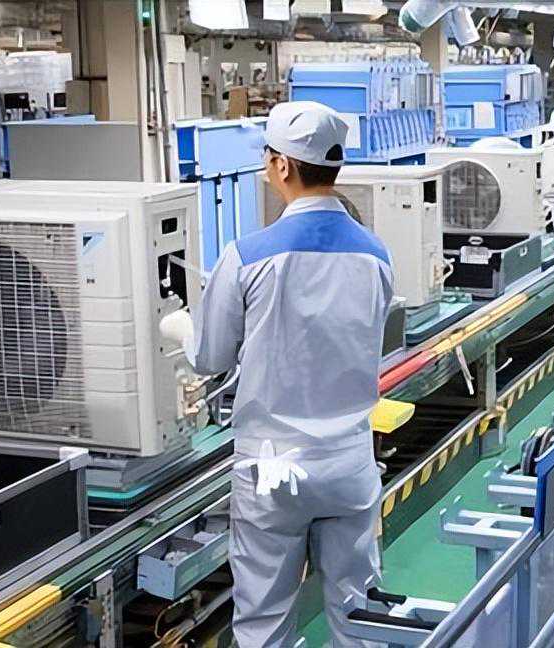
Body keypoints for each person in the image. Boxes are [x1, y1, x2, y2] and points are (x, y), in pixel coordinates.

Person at [185, 100, 394, 647]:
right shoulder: (377, 255)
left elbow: (210, 358)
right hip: (348, 461)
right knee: (359, 610)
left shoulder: (247, 256)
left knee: (264, 618)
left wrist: (183, 329)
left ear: (280, 166)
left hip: (272, 469)